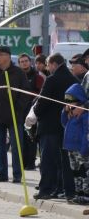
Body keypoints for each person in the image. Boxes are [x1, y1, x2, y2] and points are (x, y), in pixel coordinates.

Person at [0, 45, 30, 183]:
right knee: (0, 146)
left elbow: (25, 92)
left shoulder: (19, 73)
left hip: (15, 116)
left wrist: (18, 108)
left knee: (16, 147)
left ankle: (17, 175)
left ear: (8, 56)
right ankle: (2, 173)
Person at [33, 53, 75, 200]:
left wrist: (35, 112)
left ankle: (46, 189)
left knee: (48, 160)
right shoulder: (72, 79)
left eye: (48, 65)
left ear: (53, 64)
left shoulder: (51, 80)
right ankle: (63, 189)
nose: (47, 68)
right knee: (63, 161)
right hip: (66, 125)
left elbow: (42, 103)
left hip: (49, 126)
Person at [61, 83, 89, 207]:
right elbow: (63, 123)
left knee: (84, 171)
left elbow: (86, 132)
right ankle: (78, 192)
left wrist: (85, 148)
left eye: (70, 101)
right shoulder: (71, 114)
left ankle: (86, 194)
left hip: (81, 149)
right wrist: (64, 111)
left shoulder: (84, 114)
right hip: (71, 148)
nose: (68, 103)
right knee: (76, 171)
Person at [18, 53, 44, 170]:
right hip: (20, 110)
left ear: (30, 62)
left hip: (32, 111)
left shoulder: (37, 76)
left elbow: (40, 94)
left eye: (26, 61)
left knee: (30, 137)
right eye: (22, 61)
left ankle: (30, 163)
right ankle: (22, 162)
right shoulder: (17, 76)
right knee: (21, 137)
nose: (24, 63)